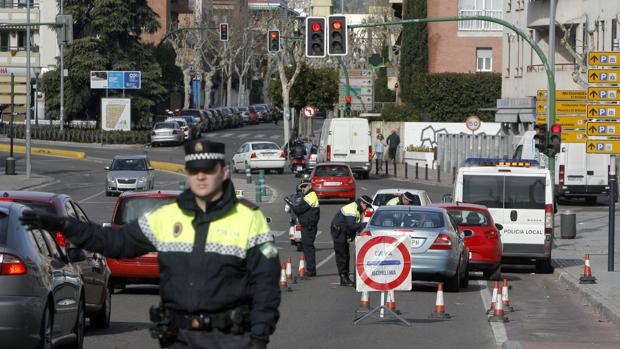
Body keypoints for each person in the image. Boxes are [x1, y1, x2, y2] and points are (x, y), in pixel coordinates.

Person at [20, 139, 281, 349]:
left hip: (230, 339)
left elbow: (266, 284)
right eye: (194, 171)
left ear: (223, 173)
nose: (201, 177)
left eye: (209, 170)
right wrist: (64, 225)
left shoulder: (248, 219)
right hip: (179, 337)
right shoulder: (168, 217)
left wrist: (259, 337)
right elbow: (115, 242)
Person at [330, 195, 373, 287]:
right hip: (338, 232)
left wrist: (351, 236)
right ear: (362, 203)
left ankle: (345, 277)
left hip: (343, 231)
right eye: (367, 206)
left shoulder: (358, 209)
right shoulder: (352, 209)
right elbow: (352, 225)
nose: (366, 209)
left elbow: (353, 226)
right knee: (342, 255)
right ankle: (343, 278)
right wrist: (365, 225)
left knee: (346, 255)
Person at [290, 180, 320, 276]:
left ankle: (311, 270)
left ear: (310, 186)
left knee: (308, 248)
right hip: (307, 225)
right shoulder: (308, 196)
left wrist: (291, 204)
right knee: (307, 247)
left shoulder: (310, 196)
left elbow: (299, 209)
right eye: (301, 187)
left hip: (309, 226)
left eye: (305, 186)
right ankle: (311, 269)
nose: (303, 188)